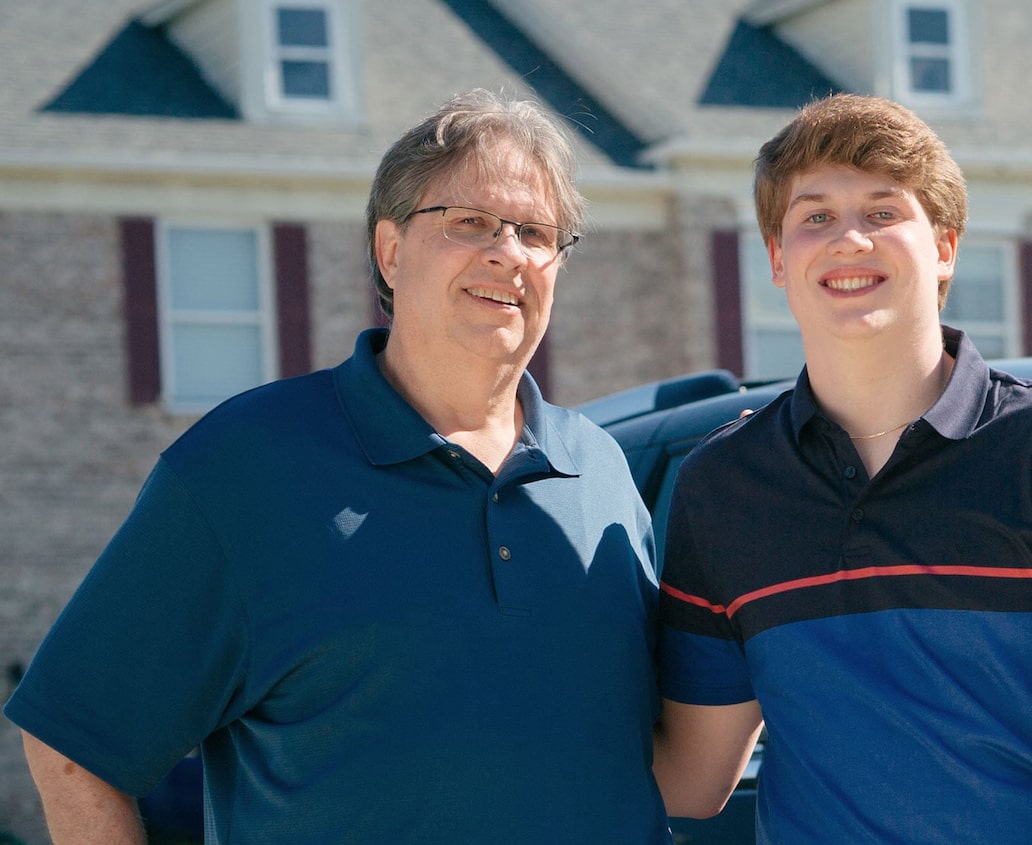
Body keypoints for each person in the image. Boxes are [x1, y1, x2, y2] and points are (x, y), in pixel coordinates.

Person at [6, 88, 671, 844]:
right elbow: (72, 743)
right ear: (391, 251)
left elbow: (669, 751)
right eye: (469, 222)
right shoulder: (249, 464)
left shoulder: (602, 473)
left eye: (534, 232)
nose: (507, 252)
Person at [652, 93, 1032, 844]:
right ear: (777, 257)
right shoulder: (724, 486)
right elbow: (695, 777)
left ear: (944, 246)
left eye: (882, 211)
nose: (849, 240)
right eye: (814, 217)